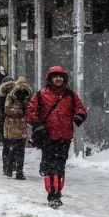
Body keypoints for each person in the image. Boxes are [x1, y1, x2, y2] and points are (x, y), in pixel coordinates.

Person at [26, 66, 87, 209]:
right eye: (55, 76)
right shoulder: (40, 95)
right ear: (50, 79)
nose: (58, 79)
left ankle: (57, 192)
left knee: (60, 167)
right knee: (50, 167)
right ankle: (53, 195)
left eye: (61, 76)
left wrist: (79, 116)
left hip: (64, 137)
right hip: (47, 137)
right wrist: (36, 123)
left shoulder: (70, 95)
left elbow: (81, 109)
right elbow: (30, 112)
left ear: (64, 79)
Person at [1, 77, 32, 180]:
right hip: (12, 126)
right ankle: (9, 168)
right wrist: (20, 111)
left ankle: (19, 171)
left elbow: (30, 109)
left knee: (21, 151)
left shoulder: (27, 97)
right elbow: (7, 109)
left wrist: (24, 102)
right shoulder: (11, 96)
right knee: (13, 149)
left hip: (22, 126)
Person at [0, 77, 16, 175]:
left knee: (6, 145)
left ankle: (6, 166)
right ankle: (12, 165)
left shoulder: (0, 97)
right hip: (15, 123)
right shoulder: (16, 96)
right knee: (14, 145)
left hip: (4, 124)